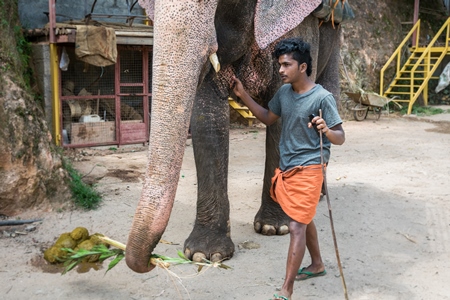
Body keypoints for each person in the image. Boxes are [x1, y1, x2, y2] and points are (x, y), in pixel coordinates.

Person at [231, 37, 345, 300]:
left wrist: (326, 130)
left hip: (311, 168)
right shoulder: (284, 93)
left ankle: (286, 290)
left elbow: (340, 136)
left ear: (302, 67)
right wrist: (242, 94)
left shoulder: (322, 98)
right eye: (280, 65)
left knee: (295, 225)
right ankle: (317, 265)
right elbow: (269, 118)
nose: (280, 70)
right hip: (288, 168)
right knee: (304, 218)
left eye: (286, 65)